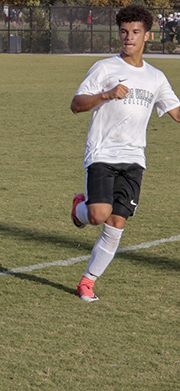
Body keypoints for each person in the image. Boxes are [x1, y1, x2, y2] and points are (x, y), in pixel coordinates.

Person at [70, 4, 180, 302]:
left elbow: (177, 112)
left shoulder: (156, 77)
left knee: (117, 223)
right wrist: (106, 94)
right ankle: (80, 208)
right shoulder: (105, 68)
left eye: (135, 32)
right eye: (123, 32)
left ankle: (87, 281)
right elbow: (76, 104)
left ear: (148, 35)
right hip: (103, 153)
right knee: (98, 215)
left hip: (135, 160)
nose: (128, 37)